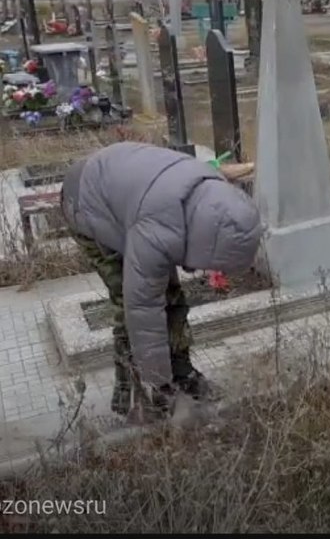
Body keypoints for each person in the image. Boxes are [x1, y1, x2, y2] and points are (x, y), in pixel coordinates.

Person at [60, 142, 264, 420]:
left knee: (172, 295)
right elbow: (142, 309)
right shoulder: (157, 230)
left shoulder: (209, 193)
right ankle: (135, 395)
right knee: (128, 299)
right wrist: (158, 382)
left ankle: (182, 373)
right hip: (87, 203)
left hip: (130, 193)